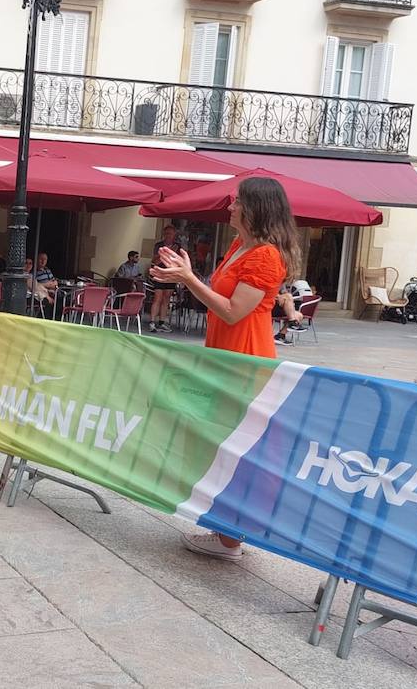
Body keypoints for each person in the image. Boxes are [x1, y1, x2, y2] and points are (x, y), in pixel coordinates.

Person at [151, 176, 300, 561]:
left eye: (236, 203)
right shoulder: (239, 245)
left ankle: (231, 537)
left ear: (255, 209)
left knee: (238, 443)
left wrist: (187, 279)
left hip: (246, 357)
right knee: (222, 440)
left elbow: (234, 312)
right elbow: (220, 295)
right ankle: (225, 529)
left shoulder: (266, 256)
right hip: (225, 353)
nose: (230, 208)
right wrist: (185, 275)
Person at [149, 225, 181, 333]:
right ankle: (152, 322)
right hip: (159, 274)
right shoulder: (159, 245)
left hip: (171, 275)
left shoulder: (178, 246)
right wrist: (166, 253)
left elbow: (178, 262)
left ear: (174, 235)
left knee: (166, 299)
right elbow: (154, 261)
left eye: (170, 233)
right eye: (166, 233)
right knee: (157, 297)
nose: (168, 235)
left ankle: (162, 322)